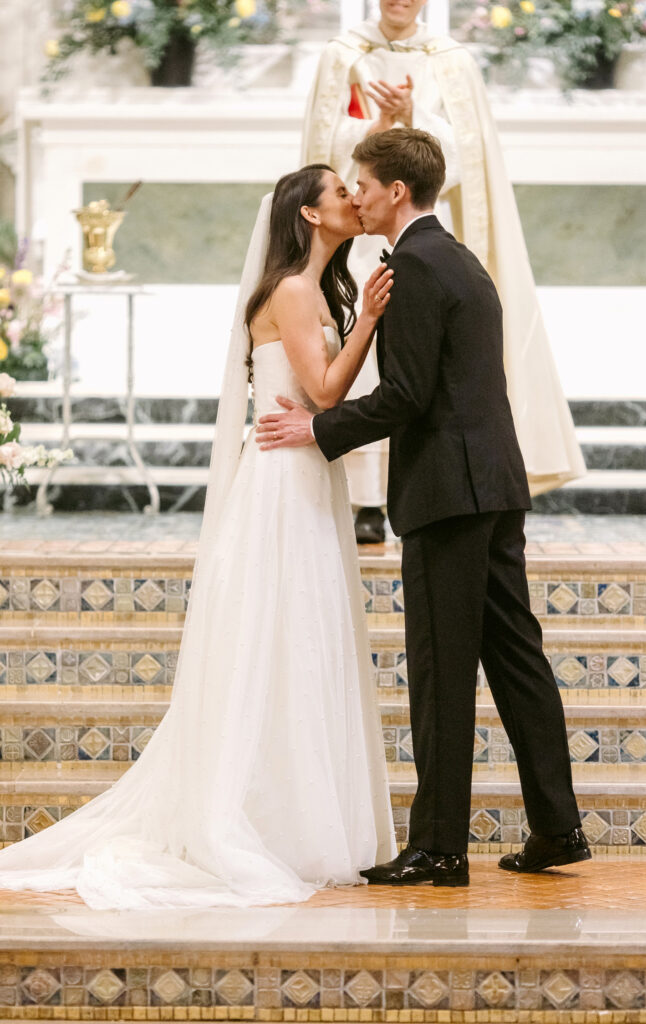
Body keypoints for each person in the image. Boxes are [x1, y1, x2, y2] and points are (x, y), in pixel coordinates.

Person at [0, 166, 396, 908]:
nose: (352, 197)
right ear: (309, 213)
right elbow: (323, 393)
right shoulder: (293, 290)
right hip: (285, 482)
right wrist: (370, 321)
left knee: (297, 637)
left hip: (301, 472)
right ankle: (282, 822)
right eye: (339, 190)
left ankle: (297, 812)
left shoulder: (311, 287)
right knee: (285, 635)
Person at [257, 129, 591, 885]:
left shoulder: (411, 265)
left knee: (441, 669)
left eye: (363, 186)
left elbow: (405, 397)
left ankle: (439, 846)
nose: (357, 197)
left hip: (446, 494)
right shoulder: (458, 257)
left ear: (395, 192)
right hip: (492, 486)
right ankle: (557, 826)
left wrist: (316, 429)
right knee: (515, 657)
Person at [302, 0, 585, 543]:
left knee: (417, 360)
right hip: (366, 226)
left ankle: (402, 485)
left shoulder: (450, 60)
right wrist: (376, 128)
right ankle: (363, 496)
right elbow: (323, 165)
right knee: (363, 353)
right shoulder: (341, 56)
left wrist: (413, 120)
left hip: (418, 228)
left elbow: (464, 158)